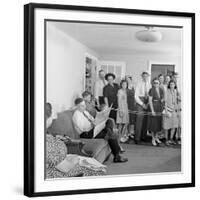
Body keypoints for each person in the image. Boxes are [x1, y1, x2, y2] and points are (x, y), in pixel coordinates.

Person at [72, 98, 128, 163]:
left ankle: (109, 134)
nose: (84, 107)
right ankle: (116, 155)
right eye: (82, 106)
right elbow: (83, 128)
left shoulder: (85, 112)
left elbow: (93, 119)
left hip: (93, 129)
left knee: (109, 121)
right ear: (77, 106)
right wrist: (93, 125)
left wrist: (99, 119)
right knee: (110, 133)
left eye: (84, 105)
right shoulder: (76, 115)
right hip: (86, 134)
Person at [134, 71, 151, 144]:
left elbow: (150, 95)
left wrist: (147, 104)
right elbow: (135, 96)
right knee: (139, 120)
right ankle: (137, 138)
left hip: (147, 101)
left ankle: (143, 136)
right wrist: (142, 104)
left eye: (146, 76)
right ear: (142, 77)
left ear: (148, 77)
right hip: (140, 101)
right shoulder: (138, 84)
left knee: (145, 120)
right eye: (144, 76)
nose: (145, 77)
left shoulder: (150, 85)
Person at [148, 78, 164, 146]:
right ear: (153, 83)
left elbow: (162, 98)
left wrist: (162, 100)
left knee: (158, 123)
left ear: (159, 83)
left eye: (157, 83)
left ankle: (156, 137)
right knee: (153, 124)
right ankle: (153, 139)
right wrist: (152, 111)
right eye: (155, 83)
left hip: (159, 107)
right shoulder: (151, 90)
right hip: (154, 107)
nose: (156, 84)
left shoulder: (161, 90)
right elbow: (150, 101)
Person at [163, 80, 179, 145]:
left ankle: (171, 139)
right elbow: (165, 102)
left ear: (175, 85)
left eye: (173, 84)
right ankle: (166, 140)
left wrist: (177, 111)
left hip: (174, 111)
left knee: (174, 126)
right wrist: (166, 111)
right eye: (171, 84)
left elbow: (175, 102)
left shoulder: (175, 92)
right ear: (169, 85)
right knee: (167, 126)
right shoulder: (166, 91)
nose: (172, 85)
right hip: (168, 110)